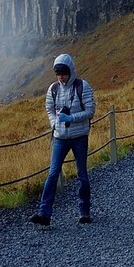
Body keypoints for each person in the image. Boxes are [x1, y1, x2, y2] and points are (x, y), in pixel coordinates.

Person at [29, 53, 96, 226]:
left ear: (70, 71)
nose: (61, 77)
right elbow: (49, 108)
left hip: (79, 137)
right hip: (60, 137)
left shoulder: (83, 86)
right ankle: (44, 213)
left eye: (63, 73)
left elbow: (90, 111)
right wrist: (54, 123)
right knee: (53, 173)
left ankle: (84, 211)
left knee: (82, 174)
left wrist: (71, 118)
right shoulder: (53, 89)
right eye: (58, 74)